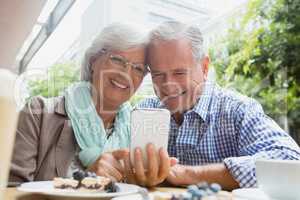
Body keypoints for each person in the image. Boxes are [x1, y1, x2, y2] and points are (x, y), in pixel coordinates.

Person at [131, 21, 300, 190]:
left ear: (204, 67)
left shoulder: (237, 110)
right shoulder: (145, 111)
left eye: (180, 73)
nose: (168, 85)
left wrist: (185, 174)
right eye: (158, 74)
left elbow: (291, 161)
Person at [9, 23, 173, 184]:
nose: (126, 74)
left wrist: (146, 182)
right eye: (117, 60)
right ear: (94, 60)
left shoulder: (139, 131)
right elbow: (10, 189)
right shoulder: (38, 113)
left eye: (138, 69)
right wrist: (85, 182)